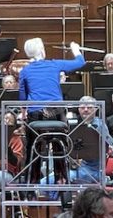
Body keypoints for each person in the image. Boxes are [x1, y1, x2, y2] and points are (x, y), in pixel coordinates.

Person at [19, 38, 85, 183]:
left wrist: (24, 115)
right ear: (42, 51)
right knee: (59, 145)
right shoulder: (53, 64)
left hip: (36, 116)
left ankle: (31, 183)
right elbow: (80, 62)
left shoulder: (25, 71)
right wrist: (75, 49)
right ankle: (61, 179)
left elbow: (23, 98)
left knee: (32, 147)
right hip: (56, 114)